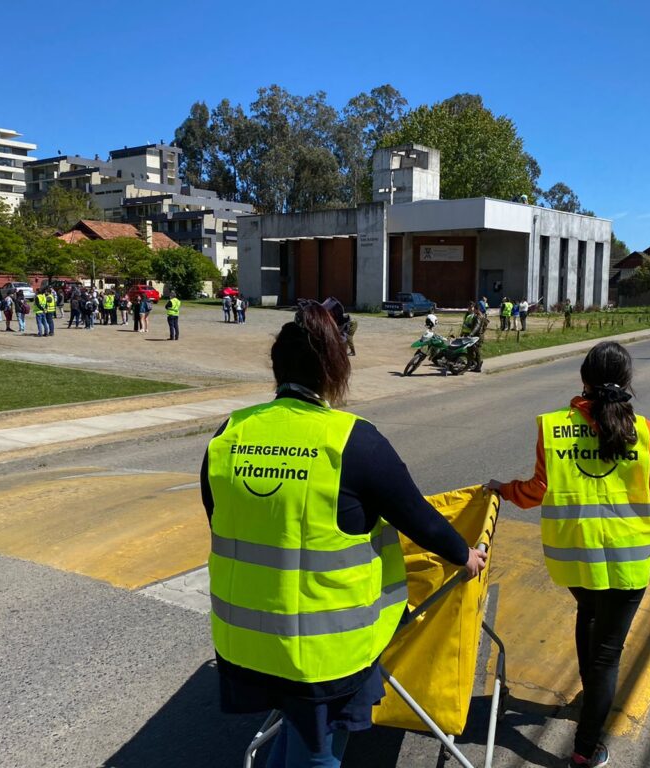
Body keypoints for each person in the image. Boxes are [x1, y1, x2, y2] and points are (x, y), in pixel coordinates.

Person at [201, 297, 487, 768]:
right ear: (336, 369)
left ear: (277, 369)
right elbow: (418, 517)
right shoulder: (353, 440)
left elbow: (220, 516)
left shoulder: (227, 434)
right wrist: (464, 555)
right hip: (323, 649)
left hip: (244, 640)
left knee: (296, 731)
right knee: (321, 750)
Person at [486, 341, 650, 768]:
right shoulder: (643, 430)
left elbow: (537, 491)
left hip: (575, 561)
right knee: (607, 655)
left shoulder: (553, 426)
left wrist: (502, 489)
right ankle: (586, 748)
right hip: (627, 563)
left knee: (589, 617)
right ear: (628, 380)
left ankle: (590, 697)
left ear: (583, 378)